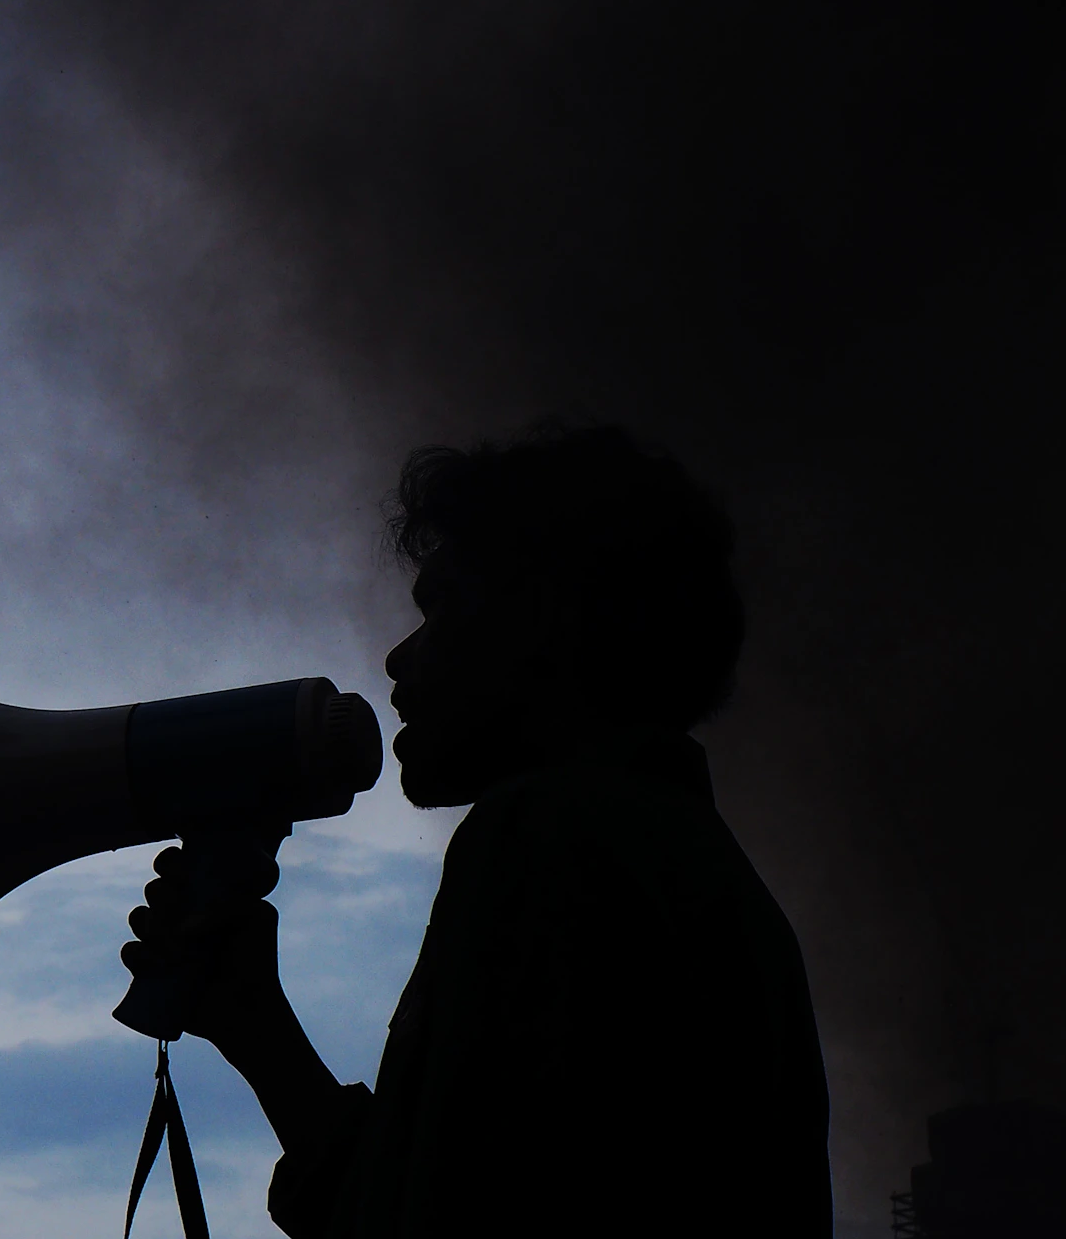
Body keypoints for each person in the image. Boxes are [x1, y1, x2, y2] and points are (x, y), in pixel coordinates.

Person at [122, 423, 832, 1235]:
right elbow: (435, 1194)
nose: (398, 659)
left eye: (442, 607)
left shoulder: (550, 833)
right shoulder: (712, 886)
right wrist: (257, 1026)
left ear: (545, 623)